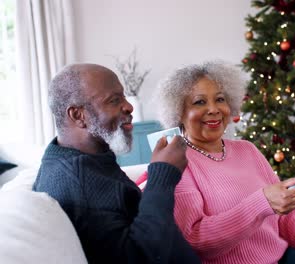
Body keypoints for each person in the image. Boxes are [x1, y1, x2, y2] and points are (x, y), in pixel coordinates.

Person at [138, 61, 295, 264]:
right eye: (199, 102)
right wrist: (261, 203)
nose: (213, 109)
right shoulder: (178, 161)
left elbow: (288, 219)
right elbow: (196, 239)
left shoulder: (247, 150)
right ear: (179, 112)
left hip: (281, 258)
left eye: (220, 99)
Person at [33, 63, 200, 264]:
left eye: (123, 96)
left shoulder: (83, 158)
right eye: (114, 100)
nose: (129, 106)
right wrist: (163, 174)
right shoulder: (79, 183)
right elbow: (138, 257)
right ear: (78, 115)